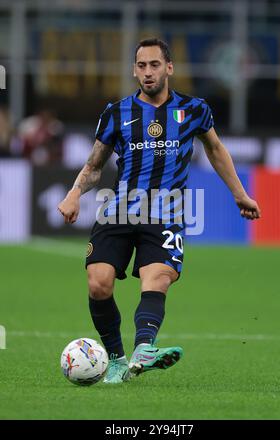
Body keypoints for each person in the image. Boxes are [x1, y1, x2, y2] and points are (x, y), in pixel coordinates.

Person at [58, 38, 261, 384]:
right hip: (119, 210)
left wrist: (240, 194)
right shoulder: (116, 112)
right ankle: (118, 361)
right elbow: (95, 164)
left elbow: (215, 150)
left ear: (169, 68)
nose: (148, 72)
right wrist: (75, 192)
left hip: (167, 211)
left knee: (158, 279)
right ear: (134, 70)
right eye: (141, 66)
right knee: (98, 284)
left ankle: (143, 350)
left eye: (154, 65)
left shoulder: (194, 109)